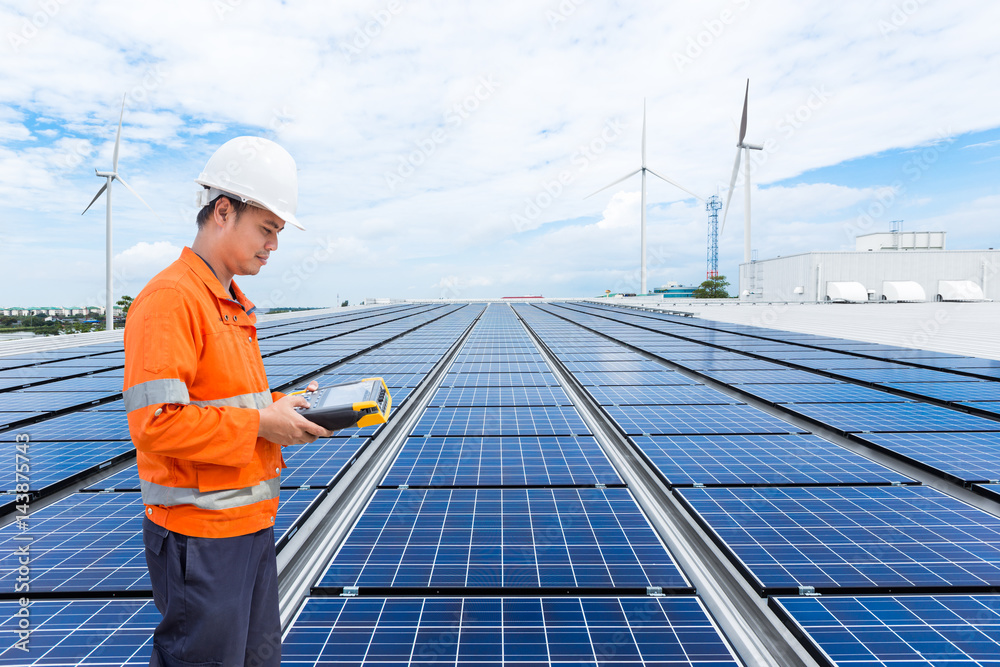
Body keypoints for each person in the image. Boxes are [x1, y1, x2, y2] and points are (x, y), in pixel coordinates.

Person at [123, 136, 334, 666]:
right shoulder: (172, 300)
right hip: (201, 535)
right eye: (267, 229)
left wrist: (285, 407)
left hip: (249, 525)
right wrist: (262, 423)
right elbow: (157, 424)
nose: (274, 246)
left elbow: (230, 401)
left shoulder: (230, 304)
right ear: (223, 211)